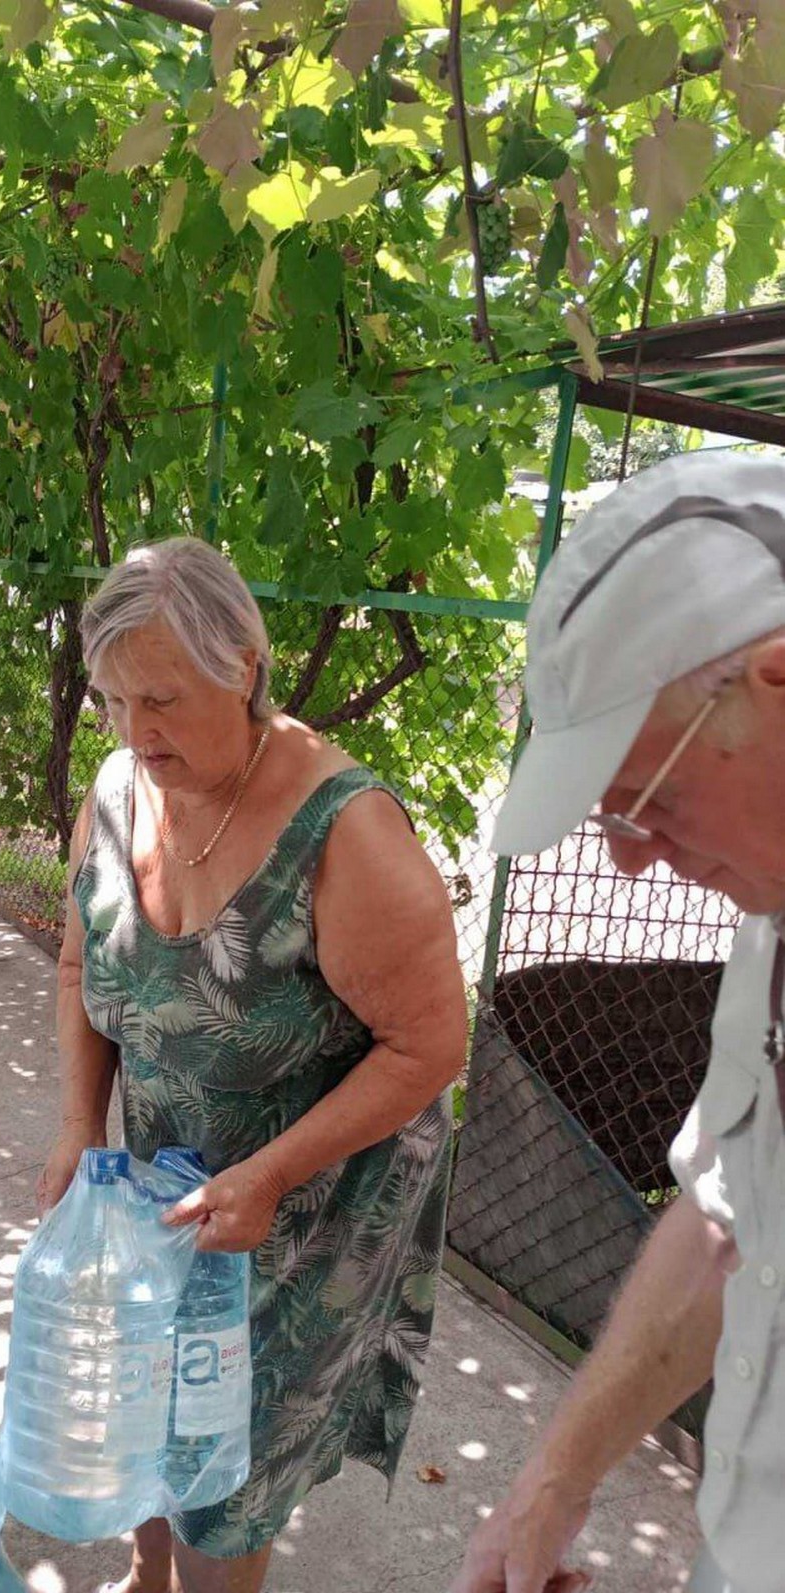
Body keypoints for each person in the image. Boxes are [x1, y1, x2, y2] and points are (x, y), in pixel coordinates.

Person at [38, 536, 467, 1593]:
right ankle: (146, 1579)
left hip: (306, 1213)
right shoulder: (118, 790)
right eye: (111, 700)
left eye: (164, 701)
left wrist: (270, 1176)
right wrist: (76, 1128)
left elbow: (430, 1046)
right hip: (166, 1181)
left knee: (228, 1470)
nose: (135, 732)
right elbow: (78, 967)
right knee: (142, 1400)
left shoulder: (346, 834)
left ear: (244, 666)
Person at [450, 450, 785, 1593]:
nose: (636, 863)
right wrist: (554, 1484)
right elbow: (732, 1213)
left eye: (647, 803)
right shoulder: (770, 921)